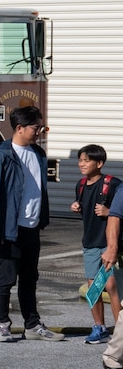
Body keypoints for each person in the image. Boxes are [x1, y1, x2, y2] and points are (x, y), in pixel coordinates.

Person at [0, 105, 62, 342]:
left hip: (31, 227)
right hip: (10, 229)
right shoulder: (2, 157)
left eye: (41, 127)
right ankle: (2, 324)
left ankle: (32, 325)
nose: (40, 132)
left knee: (30, 277)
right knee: (6, 278)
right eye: (36, 128)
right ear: (20, 128)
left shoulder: (38, 154)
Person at [70, 145, 121, 344]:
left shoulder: (114, 184)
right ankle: (99, 327)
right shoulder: (81, 185)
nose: (81, 164)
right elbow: (83, 206)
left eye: (86, 160)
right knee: (93, 288)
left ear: (99, 163)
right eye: (80, 160)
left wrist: (109, 212)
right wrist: (76, 206)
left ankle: (120, 331)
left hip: (109, 244)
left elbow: (120, 211)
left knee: (112, 285)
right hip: (90, 242)